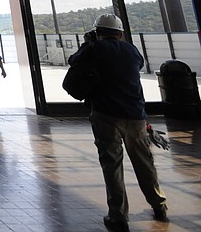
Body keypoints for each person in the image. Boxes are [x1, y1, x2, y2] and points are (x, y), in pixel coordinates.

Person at [68, 14, 168, 232]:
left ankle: (118, 215)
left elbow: (74, 61)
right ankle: (158, 203)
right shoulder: (132, 51)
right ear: (121, 33)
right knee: (144, 162)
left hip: (105, 115)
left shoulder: (94, 50)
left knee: (112, 165)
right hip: (136, 116)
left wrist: (88, 44)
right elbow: (136, 66)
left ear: (97, 32)